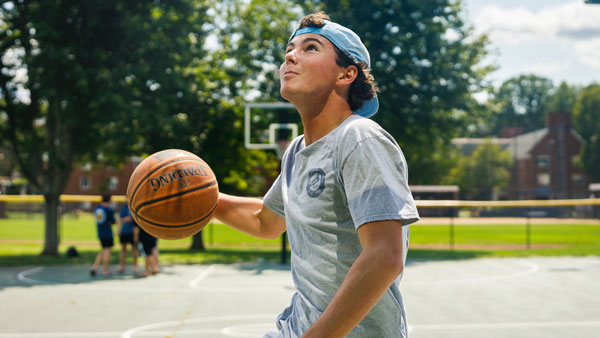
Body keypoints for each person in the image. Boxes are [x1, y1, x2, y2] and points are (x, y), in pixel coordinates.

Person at [214, 12, 419, 338]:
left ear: (346, 74)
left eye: (310, 48)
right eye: (289, 50)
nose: (290, 56)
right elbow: (265, 221)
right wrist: (202, 200)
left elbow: (385, 256)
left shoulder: (359, 138)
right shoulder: (298, 151)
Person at [90, 194, 116, 277]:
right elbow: (113, 221)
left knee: (103, 249)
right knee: (107, 251)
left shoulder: (97, 208)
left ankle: (95, 267)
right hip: (107, 233)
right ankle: (105, 270)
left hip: (100, 232)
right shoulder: (108, 210)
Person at [117, 204, 139, 275]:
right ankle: (122, 266)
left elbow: (130, 218)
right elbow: (120, 218)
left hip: (132, 232)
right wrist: (118, 229)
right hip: (124, 231)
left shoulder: (134, 206)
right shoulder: (124, 207)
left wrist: (121, 220)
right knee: (123, 249)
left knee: (134, 249)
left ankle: (135, 266)